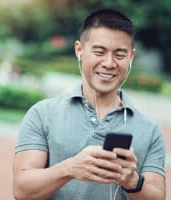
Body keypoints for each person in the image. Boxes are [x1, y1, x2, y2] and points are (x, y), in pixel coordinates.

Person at [13, 9, 166, 200]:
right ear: (79, 50)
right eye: (99, 52)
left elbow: (158, 196)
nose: (109, 63)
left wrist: (133, 182)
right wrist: (69, 168)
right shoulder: (42, 114)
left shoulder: (150, 131)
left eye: (120, 55)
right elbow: (21, 190)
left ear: (131, 57)